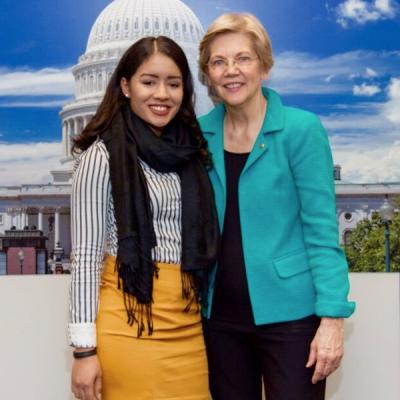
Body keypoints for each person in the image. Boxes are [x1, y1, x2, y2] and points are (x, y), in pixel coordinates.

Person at [198, 13, 356, 400]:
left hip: (292, 320)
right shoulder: (198, 134)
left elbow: (321, 232)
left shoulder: (301, 130)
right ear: (208, 74)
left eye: (243, 59)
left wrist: (332, 319)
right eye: (219, 62)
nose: (231, 71)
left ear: (264, 66)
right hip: (219, 321)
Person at [68, 36, 219, 400]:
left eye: (174, 83)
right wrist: (84, 350)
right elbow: (86, 258)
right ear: (125, 86)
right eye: (148, 82)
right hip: (130, 321)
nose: (162, 94)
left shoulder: (192, 155)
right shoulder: (100, 157)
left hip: (188, 322)